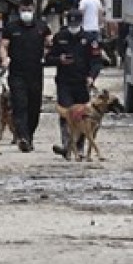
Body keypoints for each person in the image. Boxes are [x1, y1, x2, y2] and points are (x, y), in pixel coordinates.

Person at [45, 10, 103, 159]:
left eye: (76, 23)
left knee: (83, 116)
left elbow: (96, 62)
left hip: (82, 83)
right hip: (64, 82)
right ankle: (67, 145)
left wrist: (91, 77)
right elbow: (48, 58)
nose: (73, 26)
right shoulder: (60, 37)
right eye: (71, 23)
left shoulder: (90, 39)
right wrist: (60, 59)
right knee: (66, 113)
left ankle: (79, 147)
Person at [0, 0, 50, 152]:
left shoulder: (41, 26)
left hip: (35, 72)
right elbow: (3, 45)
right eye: (23, 10)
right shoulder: (12, 27)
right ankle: (22, 137)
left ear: (34, 10)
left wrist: (47, 55)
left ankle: (29, 135)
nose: (26, 12)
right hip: (17, 72)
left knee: (34, 107)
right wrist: (4, 59)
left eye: (29, 9)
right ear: (19, 10)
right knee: (20, 104)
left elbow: (50, 42)